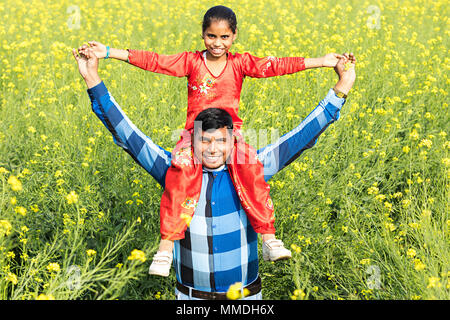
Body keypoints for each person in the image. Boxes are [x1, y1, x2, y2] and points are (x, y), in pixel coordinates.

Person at [77, 5, 346, 276]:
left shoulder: (240, 63)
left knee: (251, 169)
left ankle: (268, 239)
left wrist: (322, 61)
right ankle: (165, 249)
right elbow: (155, 61)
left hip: (231, 138)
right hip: (194, 139)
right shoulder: (191, 62)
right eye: (211, 37)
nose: (217, 44)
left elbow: (276, 66)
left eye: (224, 37)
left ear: (234, 36)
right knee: (179, 175)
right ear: (203, 35)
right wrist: (109, 52)